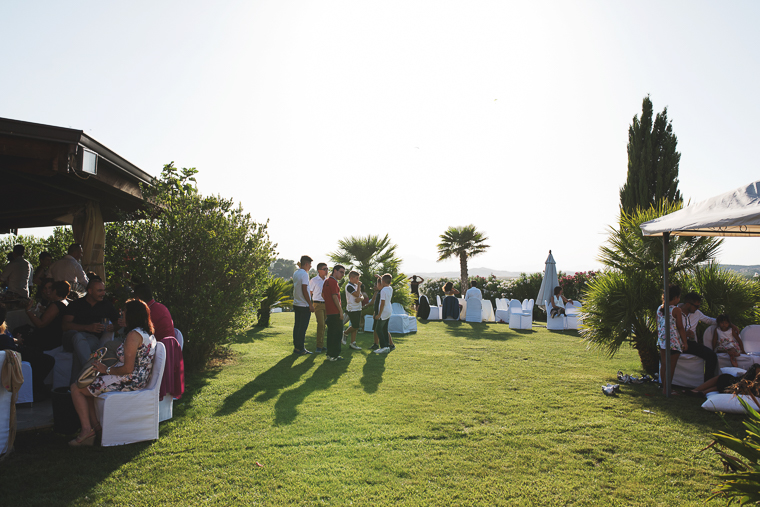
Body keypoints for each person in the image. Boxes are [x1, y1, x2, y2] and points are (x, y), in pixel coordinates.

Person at [68, 298, 157, 446]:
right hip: (137, 379)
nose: (121, 317)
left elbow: (128, 369)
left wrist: (106, 369)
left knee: (76, 388)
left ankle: (86, 431)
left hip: (129, 379)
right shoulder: (146, 333)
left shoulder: (134, 336)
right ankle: (97, 429)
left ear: (132, 315)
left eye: (124, 314)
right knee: (87, 386)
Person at [61, 279, 121, 381]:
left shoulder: (106, 305)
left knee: (78, 352)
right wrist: (87, 327)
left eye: (104, 290)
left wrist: (113, 327)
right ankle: (91, 368)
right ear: (90, 291)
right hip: (72, 337)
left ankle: (74, 385)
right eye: (99, 291)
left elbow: (118, 322)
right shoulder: (76, 304)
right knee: (78, 337)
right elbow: (65, 326)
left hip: (91, 339)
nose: (103, 293)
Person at [0, 305, 56, 399]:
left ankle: (37, 388)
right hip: (13, 357)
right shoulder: (4, 339)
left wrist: (16, 340)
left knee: (40, 355)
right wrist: (15, 341)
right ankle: (36, 389)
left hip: (13, 350)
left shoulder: (4, 335)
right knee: (47, 360)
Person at [678, 292, 721, 382]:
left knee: (712, 356)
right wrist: (684, 334)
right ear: (688, 304)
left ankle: (707, 383)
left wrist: (727, 323)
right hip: (677, 342)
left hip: (691, 343)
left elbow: (709, 320)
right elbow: (668, 330)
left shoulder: (696, 313)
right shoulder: (675, 312)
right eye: (696, 306)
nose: (698, 308)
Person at [657, 284, 688, 396]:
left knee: (664, 364)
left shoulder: (659, 308)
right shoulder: (676, 310)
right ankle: (667, 389)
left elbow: (658, 326)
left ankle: (664, 387)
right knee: (671, 366)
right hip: (673, 342)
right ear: (675, 298)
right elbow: (680, 327)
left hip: (662, 341)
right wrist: (685, 342)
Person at [25, 281, 70, 351]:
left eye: (51, 289)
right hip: (56, 340)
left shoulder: (56, 305)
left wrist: (28, 311)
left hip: (48, 342)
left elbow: (40, 324)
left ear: (55, 291)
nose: (48, 292)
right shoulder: (64, 302)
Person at [691, 363, 760, 397]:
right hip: (741, 382)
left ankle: (698, 391)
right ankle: (700, 392)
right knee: (724, 379)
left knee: (724, 380)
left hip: (746, 386)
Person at [292, 255, 315, 355]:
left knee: (297, 326)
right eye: (310, 264)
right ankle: (300, 348)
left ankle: (297, 347)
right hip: (303, 305)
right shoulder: (305, 274)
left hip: (296, 303)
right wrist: (310, 304)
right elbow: (304, 289)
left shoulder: (296, 273)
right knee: (302, 327)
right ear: (306, 264)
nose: (310, 267)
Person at [322, 265, 345, 361]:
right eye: (341, 272)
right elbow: (335, 297)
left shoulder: (326, 281)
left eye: (344, 273)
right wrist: (340, 311)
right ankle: (334, 355)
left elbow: (323, 295)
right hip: (335, 312)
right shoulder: (333, 282)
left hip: (329, 312)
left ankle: (330, 354)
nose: (343, 275)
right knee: (337, 334)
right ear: (335, 271)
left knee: (331, 334)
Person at [309, 262, 328, 353]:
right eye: (324, 269)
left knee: (325, 325)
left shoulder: (327, 280)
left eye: (327, 269)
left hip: (327, 304)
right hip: (317, 304)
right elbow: (310, 292)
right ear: (319, 270)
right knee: (321, 324)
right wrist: (309, 304)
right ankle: (319, 346)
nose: (326, 271)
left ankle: (323, 344)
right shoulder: (314, 280)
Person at [373, 273, 394, 354]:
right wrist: (380, 277)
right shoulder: (390, 288)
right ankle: (387, 346)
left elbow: (382, 303)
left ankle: (384, 346)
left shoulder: (383, 291)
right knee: (384, 329)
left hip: (383, 312)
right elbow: (385, 281)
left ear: (382, 281)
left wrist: (379, 314)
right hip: (389, 311)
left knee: (378, 329)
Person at [343, 271, 363, 350]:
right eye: (357, 278)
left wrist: (360, 299)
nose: (358, 280)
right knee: (355, 326)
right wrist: (359, 286)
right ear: (351, 278)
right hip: (352, 309)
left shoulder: (355, 285)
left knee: (355, 327)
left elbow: (361, 296)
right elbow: (357, 294)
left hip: (358, 308)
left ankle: (353, 343)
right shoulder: (349, 286)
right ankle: (345, 333)